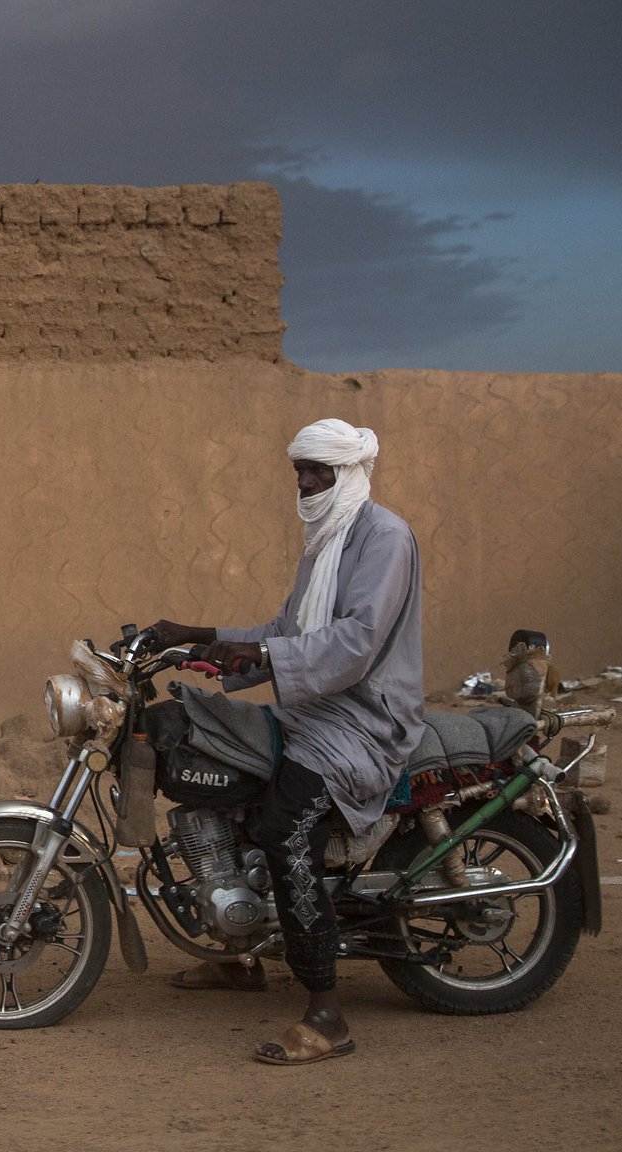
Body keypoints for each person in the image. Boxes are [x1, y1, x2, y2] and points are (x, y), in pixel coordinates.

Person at [144, 417, 425, 1066]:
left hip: (364, 722)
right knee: (221, 779)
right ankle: (239, 956)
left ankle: (326, 1013)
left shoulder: (385, 538)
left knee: (283, 831)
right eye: (298, 469)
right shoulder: (325, 539)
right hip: (315, 708)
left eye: (316, 470)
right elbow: (285, 627)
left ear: (347, 472)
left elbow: (354, 644)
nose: (303, 481)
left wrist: (261, 654)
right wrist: (192, 634)